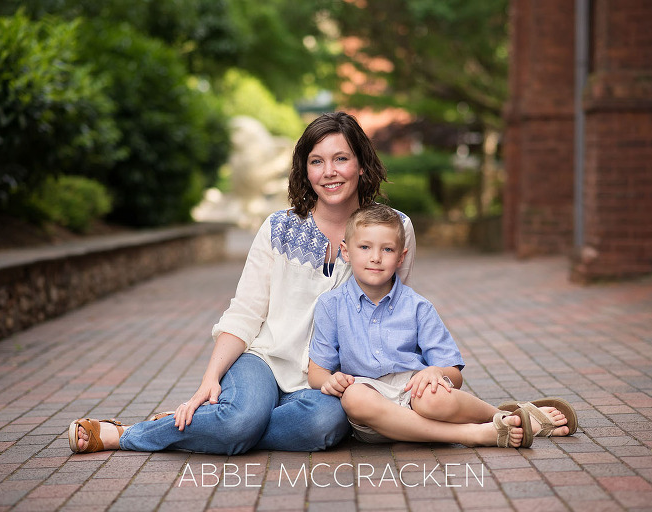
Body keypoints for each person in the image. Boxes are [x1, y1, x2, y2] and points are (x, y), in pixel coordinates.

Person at [68, 112, 417, 454]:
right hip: (263, 360)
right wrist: (210, 378)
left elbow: (387, 312)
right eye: (316, 161)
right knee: (240, 422)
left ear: (361, 164)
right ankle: (127, 433)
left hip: (326, 379)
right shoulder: (277, 228)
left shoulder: (394, 230)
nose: (329, 172)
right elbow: (246, 311)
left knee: (323, 425)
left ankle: (214, 424)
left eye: (341, 158)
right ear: (304, 169)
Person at [308, 204, 578, 448]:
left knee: (433, 397)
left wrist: (435, 371)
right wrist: (332, 381)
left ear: (401, 257)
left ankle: (502, 417)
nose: (376, 257)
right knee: (353, 397)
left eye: (387, 249)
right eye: (365, 247)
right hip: (373, 410)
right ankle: (474, 433)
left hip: (416, 398)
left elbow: (455, 375)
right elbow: (316, 373)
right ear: (346, 251)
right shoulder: (331, 305)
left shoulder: (417, 307)